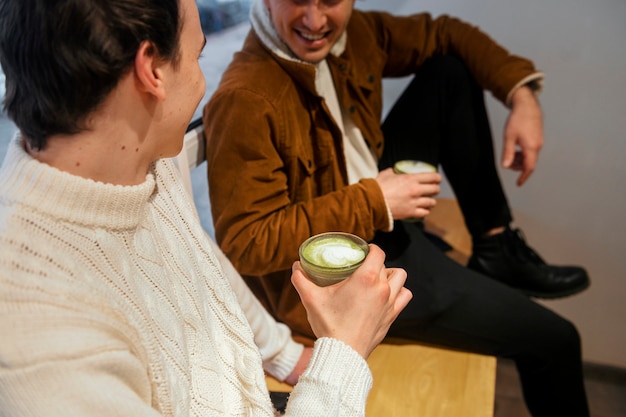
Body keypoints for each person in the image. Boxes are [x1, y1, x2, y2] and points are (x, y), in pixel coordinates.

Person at [0, 0, 413, 416]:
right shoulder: (40, 350)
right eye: (197, 56)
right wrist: (344, 351)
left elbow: (197, 263)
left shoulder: (142, 160)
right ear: (152, 70)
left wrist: (285, 356)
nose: (202, 82)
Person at [203, 1, 590, 416]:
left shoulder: (359, 33)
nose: (315, 22)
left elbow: (446, 32)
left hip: (370, 199)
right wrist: (376, 200)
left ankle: (496, 246)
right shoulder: (244, 98)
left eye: (330, 1)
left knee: (448, 71)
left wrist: (521, 95)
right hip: (345, 269)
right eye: (297, 0)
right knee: (557, 339)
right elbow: (247, 241)